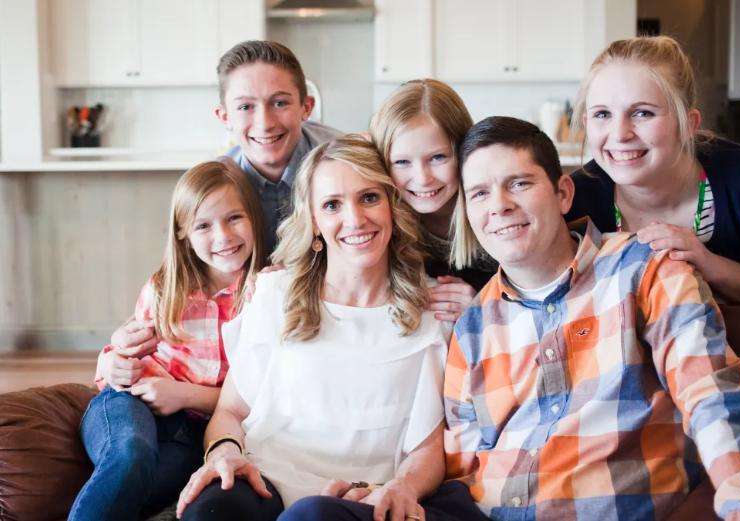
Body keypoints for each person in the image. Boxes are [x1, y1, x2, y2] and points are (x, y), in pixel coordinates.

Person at [447, 116, 740, 520]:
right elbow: (463, 466)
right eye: (480, 193)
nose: (499, 205)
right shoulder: (471, 327)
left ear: (563, 194)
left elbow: (713, 395)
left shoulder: (645, 271)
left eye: (519, 183)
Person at [175, 136, 486, 521]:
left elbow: (429, 447)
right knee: (209, 510)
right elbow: (231, 411)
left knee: (312, 516)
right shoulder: (274, 293)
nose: (355, 219)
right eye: (332, 205)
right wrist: (224, 452)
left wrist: (402, 487)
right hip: (265, 476)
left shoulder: (435, 309)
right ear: (314, 222)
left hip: (365, 495)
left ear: (392, 206)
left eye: (369, 197)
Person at [110, 40, 341, 362]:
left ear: (307, 107)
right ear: (224, 116)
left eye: (279, 103)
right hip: (258, 331)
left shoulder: (343, 166)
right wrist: (120, 343)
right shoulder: (217, 186)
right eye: (246, 107)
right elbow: (185, 275)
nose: (265, 122)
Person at [69, 160, 265, 521]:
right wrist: (115, 364)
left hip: (193, 430)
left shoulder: (263, 295)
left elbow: (259, 396)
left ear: (255, 218)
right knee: (130, 454)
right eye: (203, 225)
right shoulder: (166, 289)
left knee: (157, 484)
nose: (223, 236)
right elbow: (122, 355)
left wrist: (184, 395)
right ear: (183, 233)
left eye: (234, 218)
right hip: (129, 404)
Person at [565, 35, 740, 302]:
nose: (619, 134)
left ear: (688, 124)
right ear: (586, 122)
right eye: (602, 114)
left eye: (642, 113)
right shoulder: (574, 202)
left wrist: (707, 262)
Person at [370, 79, 496, 323]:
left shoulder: (493, 213)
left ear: (464, 152)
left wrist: (484, 306)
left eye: (438, 157)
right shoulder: (384, 218)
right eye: (402, 162)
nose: (423, 178)